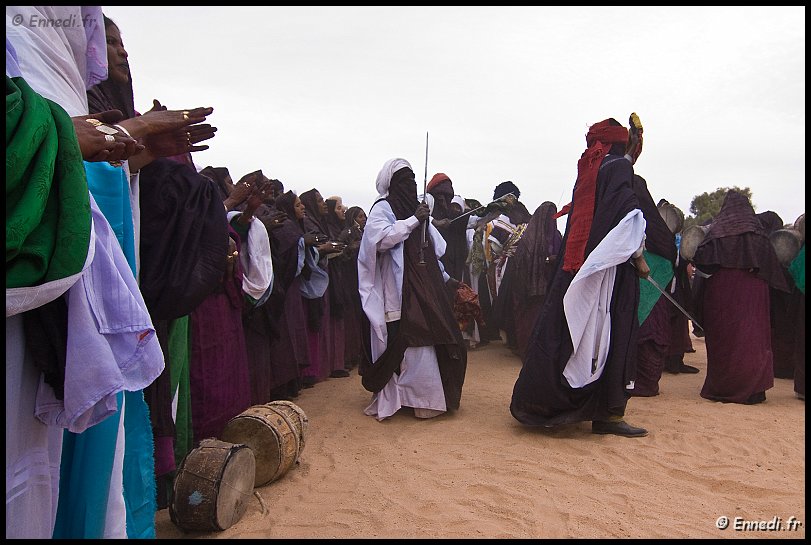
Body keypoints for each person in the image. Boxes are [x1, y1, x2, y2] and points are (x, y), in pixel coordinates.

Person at [510, 117, 650, 437]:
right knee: (612, 335)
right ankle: (608, 415)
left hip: (575, 268)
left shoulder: (589, 169)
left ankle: (552, 403)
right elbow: (628, 217)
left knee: (572, 333)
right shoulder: (617, 169)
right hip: (611, 268)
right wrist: (639, 257)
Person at [357, 158, 467, 421]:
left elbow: (430, 250)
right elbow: (379, 240)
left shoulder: (419, 212)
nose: (412, 185)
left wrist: (447, 279)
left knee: (426, 339)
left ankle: (422, 399)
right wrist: (411, 222)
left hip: (423, 287)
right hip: (394, 289)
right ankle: (396, 397)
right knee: (402, 339)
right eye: (405, 181)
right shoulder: (383, 208)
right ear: (392, 184)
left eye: (414, 179)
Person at [692, 190, 791, 404]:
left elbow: (700, 261)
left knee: (724, 339)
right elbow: (773, 268)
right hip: (753, 295)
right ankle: (752, 390)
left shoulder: (715, 234)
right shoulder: (758, 235)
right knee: (751, 339)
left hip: (720, 294)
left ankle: (722, 387)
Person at [504, 201, 563, 358]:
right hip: (528, 291)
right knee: (529, 322)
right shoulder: (528, 239)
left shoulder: (556, 236)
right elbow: (520, 265)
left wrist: (553, 260)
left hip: (549, 288)